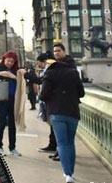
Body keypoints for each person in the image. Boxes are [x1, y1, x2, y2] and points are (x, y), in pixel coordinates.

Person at [38, 44, 85, 183]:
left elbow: (43, 95)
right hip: (72, 112)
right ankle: (71, 172)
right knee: (70, 143)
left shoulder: (50, 74)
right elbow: (81, 93)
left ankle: (67, 174)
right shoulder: (73, 72)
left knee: (62, 144)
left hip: (57, 113)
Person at [0, 50, 25, 156]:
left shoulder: (16, 70)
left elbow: (24, 79)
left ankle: (12, 147)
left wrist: (21, 74)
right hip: (1, 99)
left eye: (12, 61)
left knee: (12, 124)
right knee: (2, 122)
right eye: (8, 60)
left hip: (13, 99)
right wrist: (0, 73)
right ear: (4, 59)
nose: (10, 63)